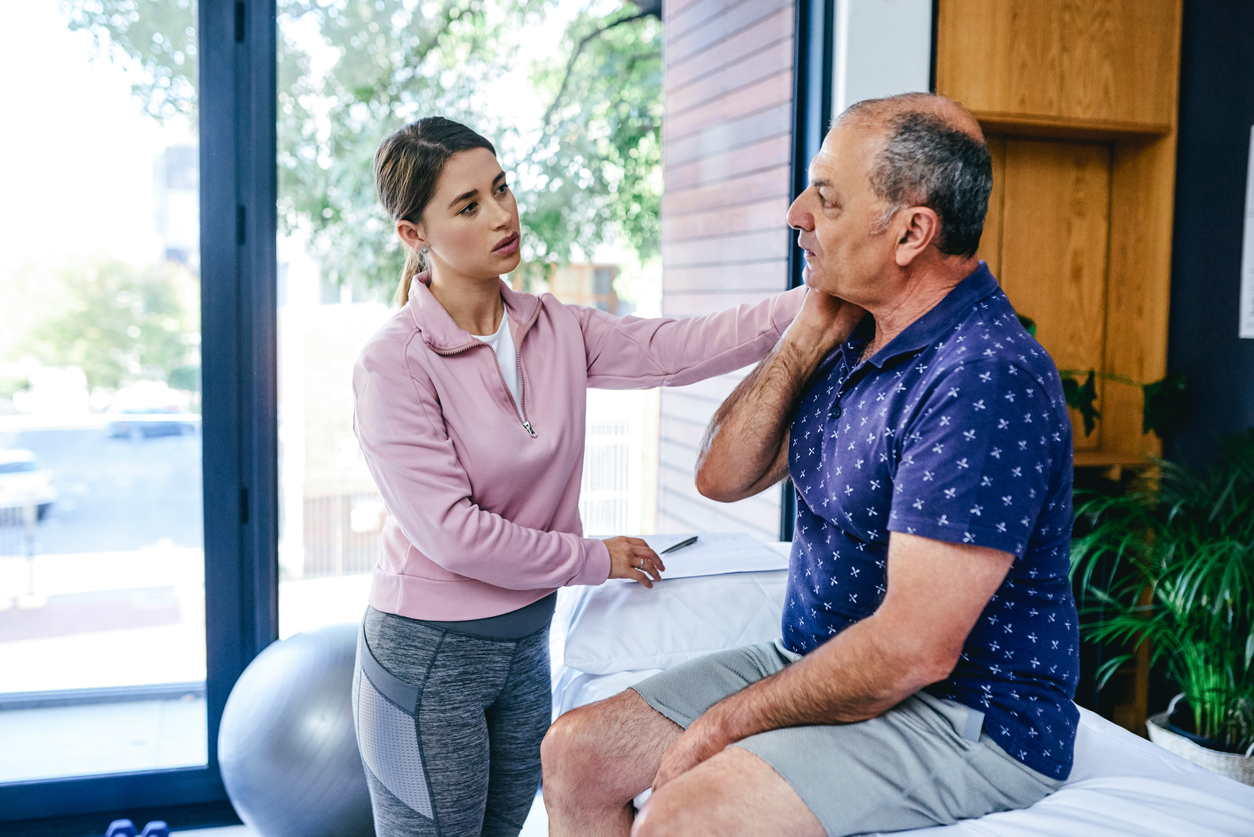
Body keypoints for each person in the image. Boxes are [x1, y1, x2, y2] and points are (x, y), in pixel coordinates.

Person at [541, 93, 1080, 837]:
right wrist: (802, 340)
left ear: (910, 232)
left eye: (824, 197)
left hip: (964, 714)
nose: (797, 213)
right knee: (577, 752)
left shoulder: (982, 375)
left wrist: (721, 725)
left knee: (684, 815)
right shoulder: (852, 329)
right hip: (818, 663)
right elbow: (721, 477)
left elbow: (912, 649)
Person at [349, 116, 805, 837]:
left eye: (501, 189)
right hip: (428, 658)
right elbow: (456, 535)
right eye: (468, 206)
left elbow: (674, 348)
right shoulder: (394, 362)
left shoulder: (552, 328)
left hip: (524, 644)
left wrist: (812, 306)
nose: (502, 215)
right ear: (414, 235)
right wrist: (593, 558)